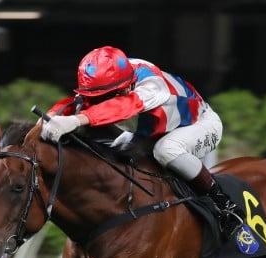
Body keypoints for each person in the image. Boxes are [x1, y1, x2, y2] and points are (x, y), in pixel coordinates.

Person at [41, 46, 243, 235]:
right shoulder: (111, 75)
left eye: (102, 98)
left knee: (166, 150)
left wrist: (76, 120)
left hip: (199, 125)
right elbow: (77, 102)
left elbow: (124, 106)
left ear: (125, 88)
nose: (95, 103)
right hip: (150, 133)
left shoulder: (152, 87)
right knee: (111, 147)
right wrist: (47, 120)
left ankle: (224, 203)